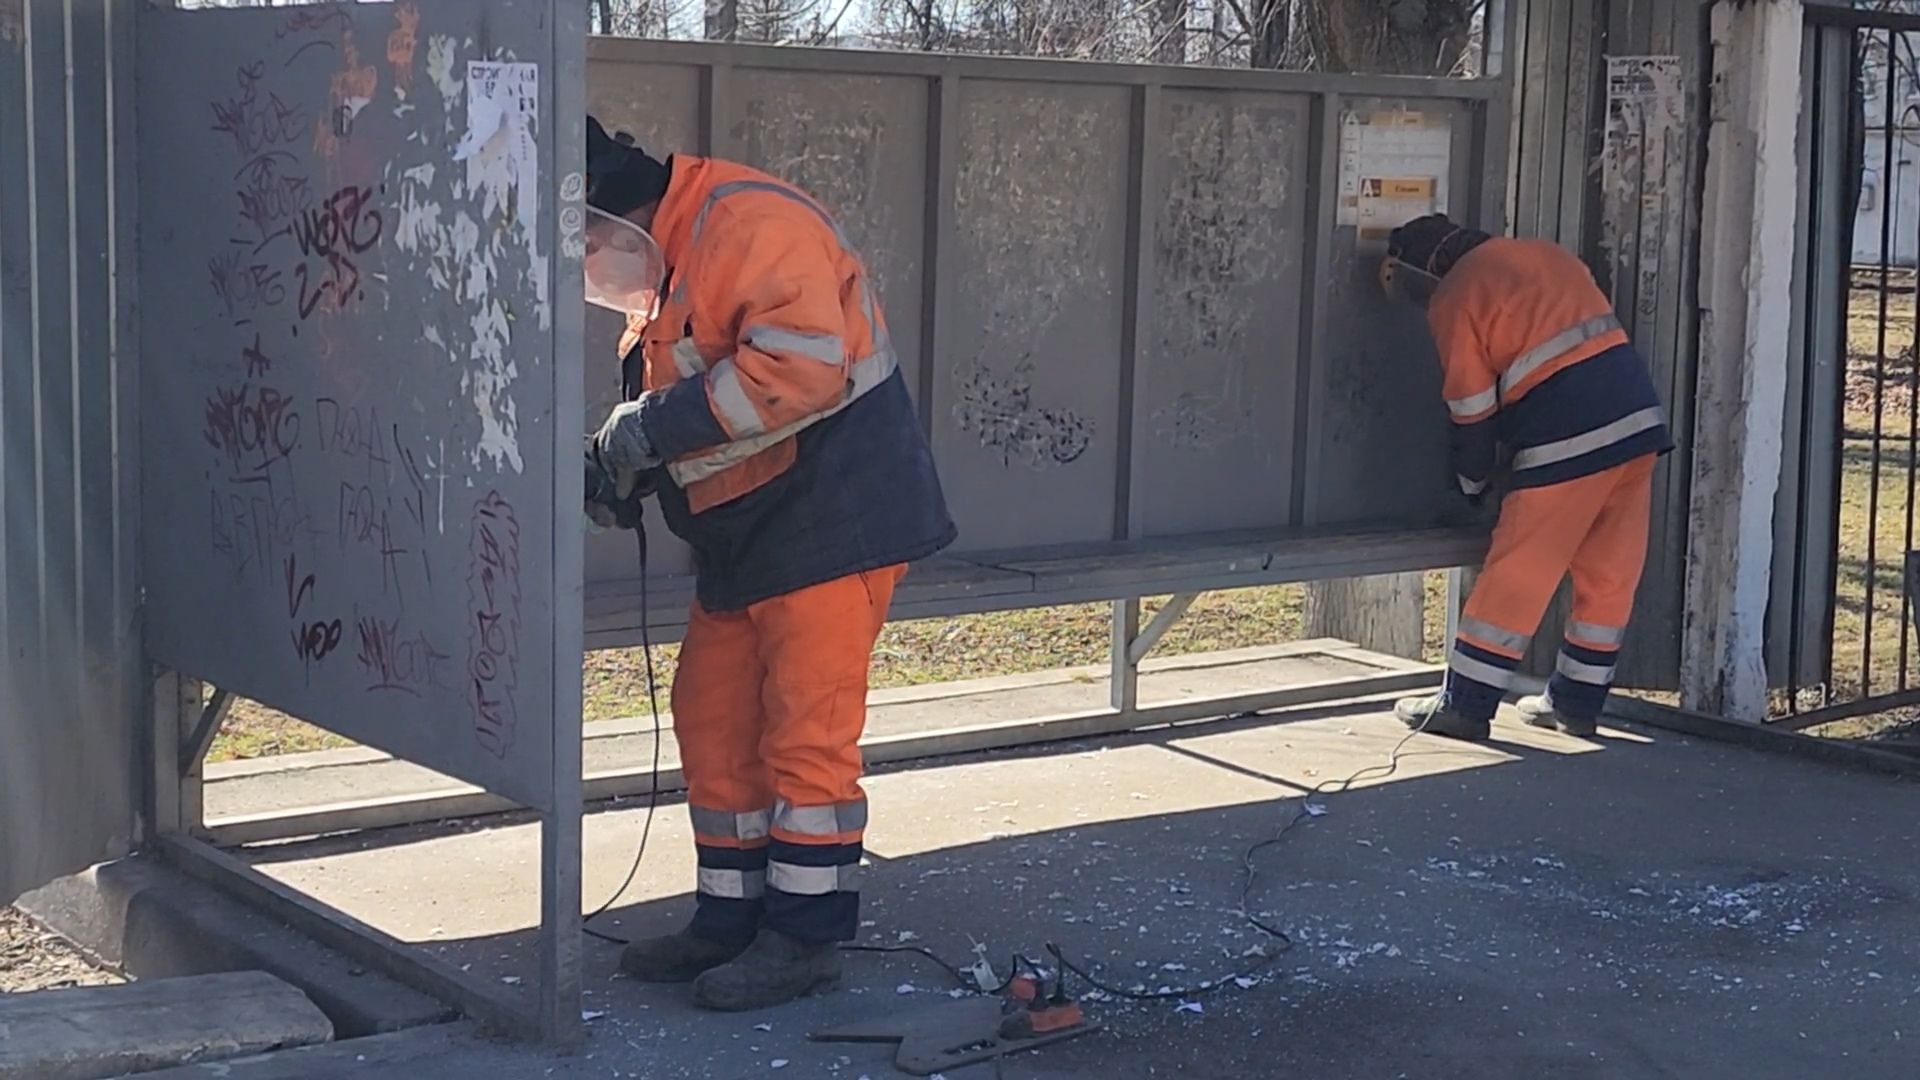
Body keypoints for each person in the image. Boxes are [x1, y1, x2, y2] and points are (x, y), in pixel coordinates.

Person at [582, 116, 957, 1011]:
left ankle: (805, 937)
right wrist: (628, 462)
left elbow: (799, 372)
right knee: (711, 718)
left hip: (834, 521)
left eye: (589, 242)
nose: (590, 261)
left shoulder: (745, 224)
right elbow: (694, 395)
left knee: (805, 737)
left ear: (613, 211)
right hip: (749, 533)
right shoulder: (669, 255)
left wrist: (646, 434)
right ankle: (729, 916)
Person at [1381, 214, 1672, 741]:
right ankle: (1576, 702)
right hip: (1636, 423)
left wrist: (1472, 484)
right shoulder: (1545, 253)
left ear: (1426, 270)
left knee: (1519, 572)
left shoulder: (1455, 294)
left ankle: (1465, 705)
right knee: (1609, 574)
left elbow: (1470, 408)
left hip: (1566, 434)